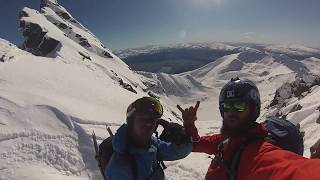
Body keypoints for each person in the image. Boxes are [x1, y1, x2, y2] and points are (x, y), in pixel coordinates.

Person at [178, 77, 320, 180]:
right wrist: (189, 126)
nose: (231, 113)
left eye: (239, 106)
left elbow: (293, 171)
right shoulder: (227, 140)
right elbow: (196, 144)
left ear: (253, 110)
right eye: (227, 106)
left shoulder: (258, 153)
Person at [105, 97, 192, 180]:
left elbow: (177, 152)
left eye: (152, 120)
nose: (148, 124)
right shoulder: (120, 167)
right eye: (142, 118)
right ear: (131, 123)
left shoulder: (152, 143)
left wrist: (185, 132)